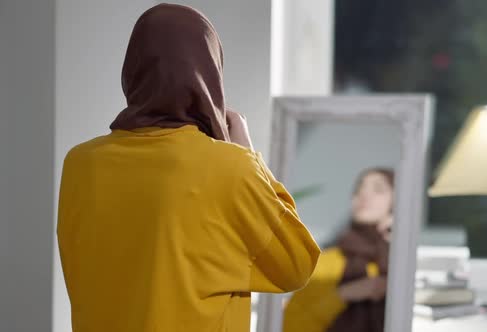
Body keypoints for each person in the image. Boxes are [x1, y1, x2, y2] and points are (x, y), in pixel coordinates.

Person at [56, 4, 319, 332]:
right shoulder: (230, 168)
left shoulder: (80, 164)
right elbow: (297, 264)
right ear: (210, 75)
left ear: (133, 71)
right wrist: (250, 158)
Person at [283, 168, 395, 332]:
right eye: (359, 189)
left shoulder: (400, 265)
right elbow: (291, 326)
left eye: (378, 189)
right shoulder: (328, 261)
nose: (363, 195)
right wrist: (343, 294)